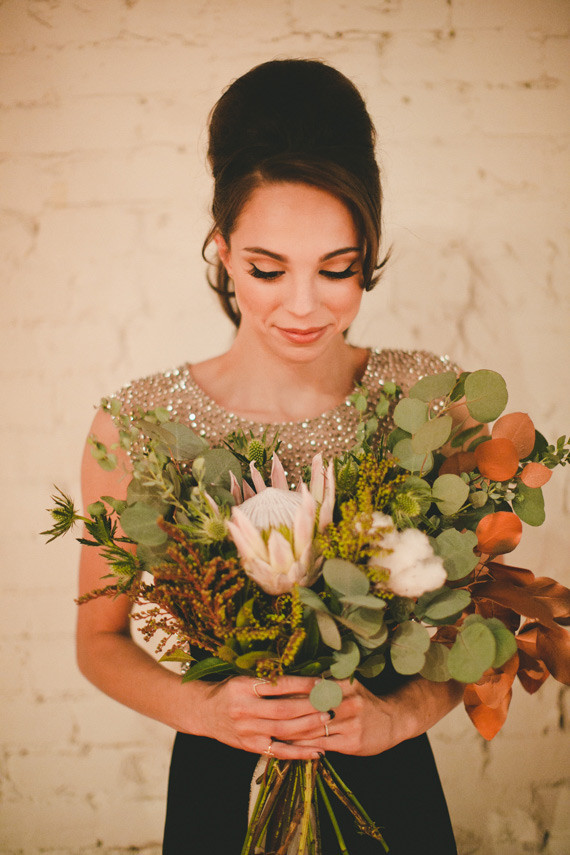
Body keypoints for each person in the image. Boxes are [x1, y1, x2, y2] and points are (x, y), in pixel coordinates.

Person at [78, 60, 463, 854]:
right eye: (265, 268)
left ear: (370, 250)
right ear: (220, 249)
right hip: (224, 780)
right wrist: (207, 710)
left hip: (388, 779)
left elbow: (471, 622)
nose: (301, 305)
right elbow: (98, 640)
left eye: (337, 269)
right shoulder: (138, 424)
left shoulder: (424, 398)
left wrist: (398, 714)